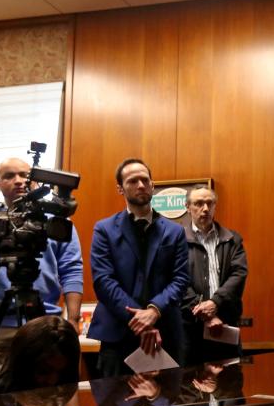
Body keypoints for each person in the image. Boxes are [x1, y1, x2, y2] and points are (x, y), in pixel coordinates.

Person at [0, 158, 83, 372]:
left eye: (25, 176)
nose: (18, 181)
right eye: (9, 176)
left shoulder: (56, 222)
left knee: (39, 389)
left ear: (37, 183)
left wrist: (72, 320)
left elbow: (71, 268)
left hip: (43, 322)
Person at [89, 158, 190, 377]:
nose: (141, 185)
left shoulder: (175, 232)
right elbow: (103, 281)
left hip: (165, 334)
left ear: (153, 185)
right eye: (133, 181)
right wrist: (141, 321)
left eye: (145, 180)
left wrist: (154, 311)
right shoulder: (104, 229)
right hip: (117, 335)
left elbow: (181, 279)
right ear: (120, 188)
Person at [181, 185, 248, 364]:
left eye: (210, 203)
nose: (205, 209)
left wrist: (215, 303)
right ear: (187, 207)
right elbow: (176, 280)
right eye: (199, 203)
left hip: (225, 325)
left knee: (229, 387)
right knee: (190, 386)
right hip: (190, 328)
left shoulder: (232, 239)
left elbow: (238, 274)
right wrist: (206, 314)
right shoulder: (176, 240)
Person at [0, 315, 80, 398]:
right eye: (44, 371)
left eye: (63, 372)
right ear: (23, 365)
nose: (52, 381)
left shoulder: (59, 393)